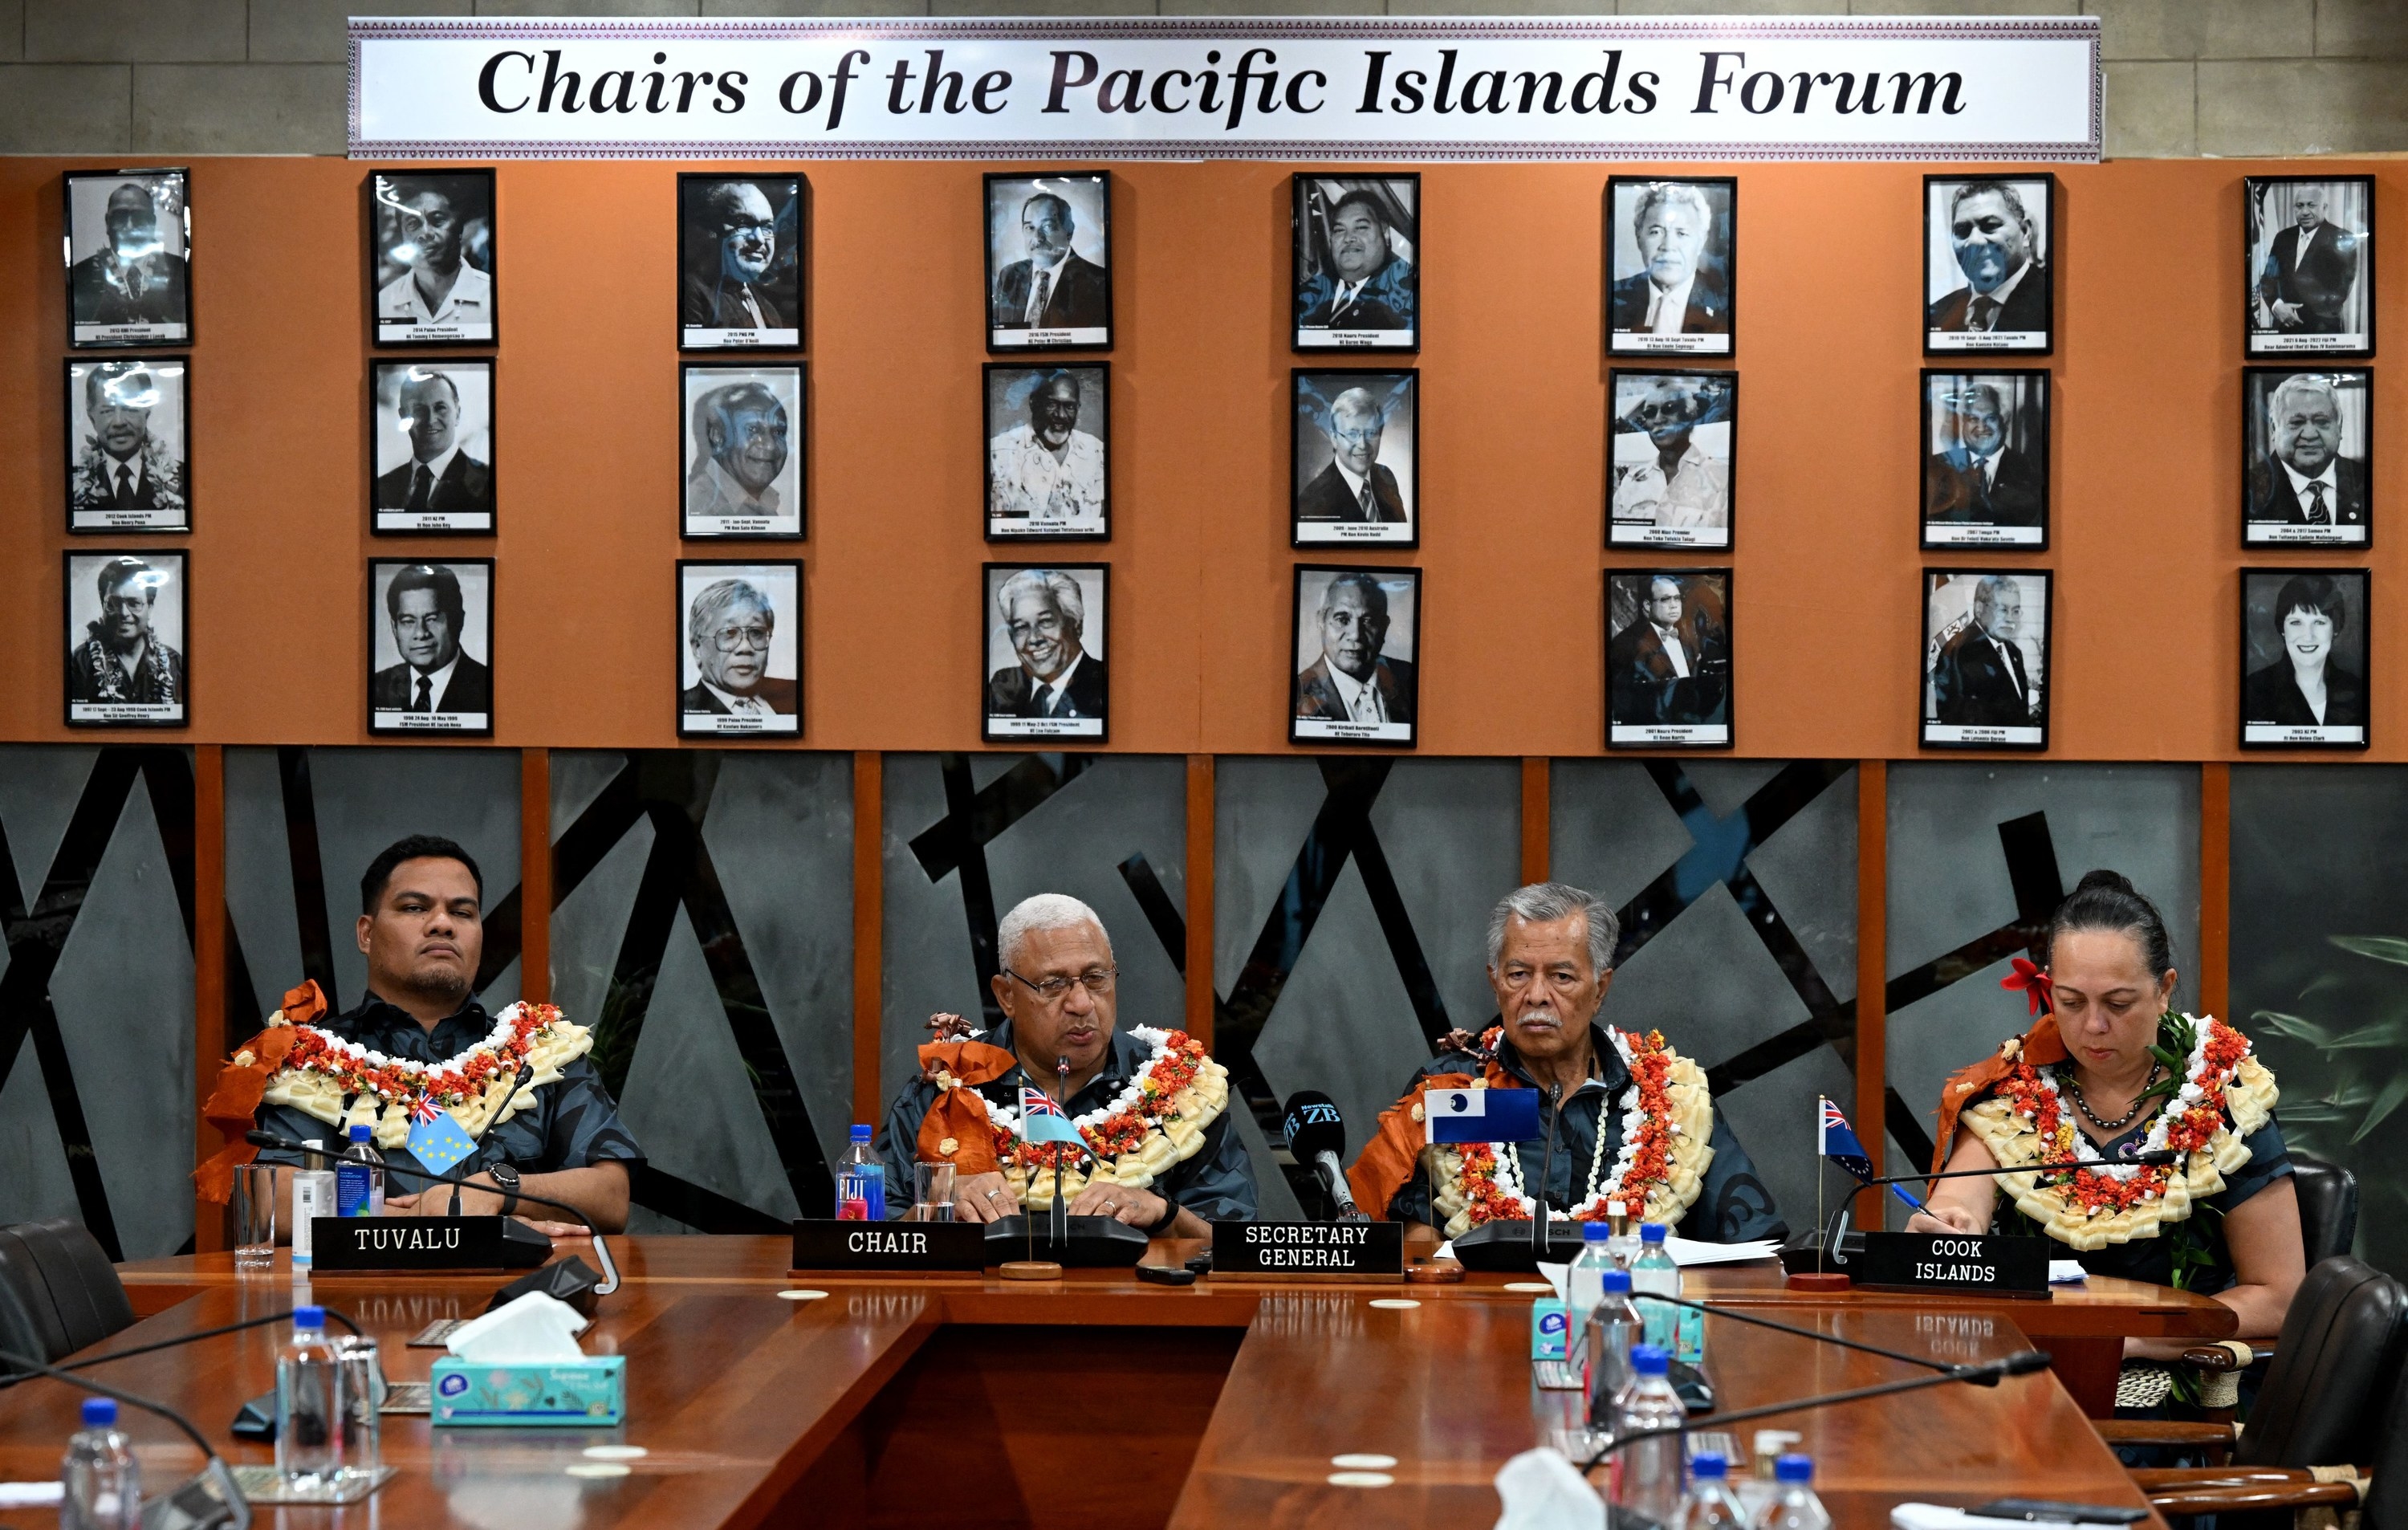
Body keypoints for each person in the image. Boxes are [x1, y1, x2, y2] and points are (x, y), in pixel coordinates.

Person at [1912, 873, 2301, 1390]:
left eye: (2118, 1004)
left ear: (2164, 990)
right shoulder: (2017, 1091)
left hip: (2179, 1379)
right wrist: (1951, 1228)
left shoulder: (2225, 1098)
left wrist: (2128, 1339)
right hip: (2034, 1376)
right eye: (2072, 1003)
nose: (2094, 1026)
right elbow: (1962, 1200)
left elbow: (2279, 1294)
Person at [214, 836, 642, 1233]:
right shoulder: (310, 1058)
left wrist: (497, 1195)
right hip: (356, 1304)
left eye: (462, 912)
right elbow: (271, 1196)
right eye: (415, 907)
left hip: (515, 1298)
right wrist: (439, 1224)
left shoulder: (540, 1051)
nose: (442, 924)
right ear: (366, 933)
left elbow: (610, 1194)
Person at [1350, 883, 1784, 1242]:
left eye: (1561, 977)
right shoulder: (1451, 1088)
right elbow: (1397, 1234)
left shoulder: (1672, 1097)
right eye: (1518, 974)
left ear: (1600, 989)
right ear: (1494, 982)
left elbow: (1755, 1244)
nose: (1537, 996)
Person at [877, 893, 1256, 1228]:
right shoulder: (944, 1090)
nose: (1081, 1004)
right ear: (1006, 995)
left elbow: (1237, 1243)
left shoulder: (1179, 1092)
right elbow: (867, 1235)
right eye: (1052, 984)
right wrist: (936, 1206)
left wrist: (1163, 1212)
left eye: (1095, 978)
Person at [2243, 573, 2365, 730]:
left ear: (2335, 628)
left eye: (2319, 622)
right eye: (2296, 622)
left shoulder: (2357, 690)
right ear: (2283, 629)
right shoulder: (2255, 690)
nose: (2308, 636)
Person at [2246, 374, 2368, 529]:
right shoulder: (2250, 488)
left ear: (2339, 427)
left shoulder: (2366, 480)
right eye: (2296, 423)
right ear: (2273, 428)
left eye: (2322, 421)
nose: (2310, 435)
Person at [1294, 572, 1416, 726]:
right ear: (1321, 621)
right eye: (1342, 619)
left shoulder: (1409, 678)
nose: (1356, 635)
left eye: (1368, 620)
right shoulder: (1297, 694)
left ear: (1384, 627)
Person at [985, 568, 1105, 722]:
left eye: (1045, 621)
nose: (1034, 638)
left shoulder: (1104, 683)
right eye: (1021, 627)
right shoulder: (1003, 686)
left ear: (1076, 625)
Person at [371, 564, 492, 715]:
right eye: (408, 621)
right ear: (394, 628)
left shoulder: (488, 686)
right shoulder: (377, 686)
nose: (421, 633)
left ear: (458, 620)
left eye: (432, 619)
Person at [1609, 184, 1728, 336]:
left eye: (1682, 233)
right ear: (1639, 237)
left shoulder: (1724, 304)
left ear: (1701, 241)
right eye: (1656, 232)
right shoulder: (1614, 297)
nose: (1668, 246)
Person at [1928, 181, 2047, 335]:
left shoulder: (2053, 302)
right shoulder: (1937, 315)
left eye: (1990, 225)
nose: (1974, 241)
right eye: (1962, 230)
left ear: (2025, 231)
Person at [1611, 377, 1728, 531]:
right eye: (1650, 413)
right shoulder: (1630, 482)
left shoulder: (1721, 478)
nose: (1658, 419)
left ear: (1690, 416)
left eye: (1669, 408)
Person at [375, 179, 492, 332]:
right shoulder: (384, 302)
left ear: (459, 229)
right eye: (413, 224)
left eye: (437, 220)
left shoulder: (490, 296)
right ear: (403, 236)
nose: (425, 233)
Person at [68, 364, 185, 518]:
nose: (119, 422)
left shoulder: (180, 480)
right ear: (91, 416)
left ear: (147, 411)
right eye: (107, 411)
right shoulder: (73, 483)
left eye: (130, 408)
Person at [1609, 576, 1727, 728]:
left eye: (1677, 599)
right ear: (1647, 606)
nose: (1674, 606)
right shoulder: (1625, 644)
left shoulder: (1688, 638)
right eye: (1665, 600)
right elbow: (1623, 702)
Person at [989, 370, 1105, 523]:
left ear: (1078, 408)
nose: (1061, 415)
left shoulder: (1097, 451)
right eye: (1052, 404)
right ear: (1033, 403)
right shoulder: (997, 452)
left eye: (1069, 407)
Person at [373, 370, 494, 517]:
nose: (430, 420)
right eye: (419, 410)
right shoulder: (383, 487)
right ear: (403, 416)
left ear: (457, 414)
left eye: (440, 408)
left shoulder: (487, 484)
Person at [67, 556, 183, 709]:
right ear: (103, 606)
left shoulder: (174, 663)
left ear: (151, 608)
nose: (123, 613)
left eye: (134, 603)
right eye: (113, 604)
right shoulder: (80, 662)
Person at [69, 181, 188, 329]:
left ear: (152, 223)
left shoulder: (181, 272)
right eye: (120, 216)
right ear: (108, 223)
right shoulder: (79, 276)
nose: (129, 226)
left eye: (138, 217)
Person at [1924, 382, 2044, 527]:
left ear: (2005, 420)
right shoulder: (1939, 465)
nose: (1981, 427)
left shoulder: (2029, 470)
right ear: (1963, 422)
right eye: (1973, 419)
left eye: (1990, 418)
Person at [1296, 188, 1415, 332]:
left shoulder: (1410, 292)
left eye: (1361, 227)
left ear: (1385, 232)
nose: (1348, 238)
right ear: (1331, 239)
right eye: (1339, 230)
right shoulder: (1306, 292)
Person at [990, 192, 1108, 332]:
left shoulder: (1099, 282)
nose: (1037, 238)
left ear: (1069, 231)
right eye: (1030, 227)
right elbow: (998, 334)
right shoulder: (1009, 276)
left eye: (1047, 227)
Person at [681, 578, 797, 719]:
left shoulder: (795, 694)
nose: (745, 647)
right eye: (729, 633)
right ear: (697, 648)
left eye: (756, 633)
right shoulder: (683, 708)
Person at [681, 181, 790, 332]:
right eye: (743, 224)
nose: (759, 239)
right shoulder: (691, 292)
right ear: (712, 231)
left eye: (767, 227)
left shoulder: (769, 310)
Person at [1930, 576, 2036, 728]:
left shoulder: (2014, 652)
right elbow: (1951, 719)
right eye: (2003, 610)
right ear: (1979, 609)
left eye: (2016, 611)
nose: (2010, 619)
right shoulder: (1958, 651)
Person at [2259, 186, 2361, 336]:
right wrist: (2277, 306)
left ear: (2324, 207)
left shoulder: (2343, 238)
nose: (2305, 212)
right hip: (2284, 332)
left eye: (2311, 205)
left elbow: (2338, 292)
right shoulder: (2282, 238)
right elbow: (2268, 279)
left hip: (2323, 333)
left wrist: (2292, 311)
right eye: (2299, 206)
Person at [1296, 388, 1407, 524]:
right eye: (1352, 434)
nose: (1362, 444)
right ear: (1334, 438)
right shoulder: (1313, 502)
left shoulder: (1385, 476)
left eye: (1371, 433)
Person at [685, 381, 791, 523]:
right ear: (718, 436)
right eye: (753, 430)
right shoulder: (699, 507)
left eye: (778, 432)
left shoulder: (765, 501)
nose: (771, 446)